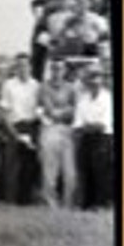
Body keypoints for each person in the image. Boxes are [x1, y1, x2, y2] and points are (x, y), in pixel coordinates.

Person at [0, 54, 41, 204]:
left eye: (25, 65)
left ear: (30, 67)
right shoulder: (8, 85)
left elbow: (39, 110)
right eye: (19, 66)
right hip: (13, 126)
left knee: (29, 165)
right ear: (15, 68)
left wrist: (33, 124)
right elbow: (3, 112)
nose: (22, 68)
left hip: (31, 126)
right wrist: (14, 134)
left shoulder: (36, 85)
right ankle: (10, 200)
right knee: (12, 165)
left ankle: (26, 200)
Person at [36, 58, 78, 208]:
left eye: (59, 69)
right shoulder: (43, 87)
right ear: (50, 70)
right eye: (54, 68)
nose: (56, 72)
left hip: (67, 130)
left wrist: (59, 112)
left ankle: (68, 205)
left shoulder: (71, 87)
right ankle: (51, 205)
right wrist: (61, 111)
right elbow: (45, 108)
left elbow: (74, 110)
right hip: (49, 129)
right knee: (49, 171)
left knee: (70, 172)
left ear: (64, 70)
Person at [73, 65, 113, 209]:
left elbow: (103, 124)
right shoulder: (83, 100)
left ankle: (102, 203)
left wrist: (87, 126)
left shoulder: (107, 98)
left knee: (101, 171)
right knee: (86, 169)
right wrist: (88, 126)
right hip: (86, 139)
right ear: (87, 82)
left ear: (101, 82)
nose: (94, 83)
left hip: (103, 139)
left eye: (97, 80)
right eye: (91, 80)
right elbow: (77, 125)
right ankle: (87, 204)